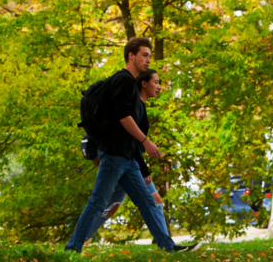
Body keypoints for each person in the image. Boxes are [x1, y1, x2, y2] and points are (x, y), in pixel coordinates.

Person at [65, 37, 191, 253]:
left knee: (148, 202)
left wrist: (141, 162)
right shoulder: (123, 80)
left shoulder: (130, 84)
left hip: (127, 158)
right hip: (114, 156)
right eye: (144, 55)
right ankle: (72, 249)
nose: (148, 59)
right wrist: (146, 141)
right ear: (131, 56)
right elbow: (123, 117)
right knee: (98, 202)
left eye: (150, 55)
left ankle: (168, 247)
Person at [101, 69, 168, 228]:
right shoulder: (136, 108)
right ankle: (82, 237)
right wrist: (144, 169)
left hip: (129, 161)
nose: (158, 87)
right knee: (104, 204)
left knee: (111, 205)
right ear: (144, 84)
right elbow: (132, 142)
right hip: (126, 161)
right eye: (156, 82)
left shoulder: (141, 107)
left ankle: (166, 243)